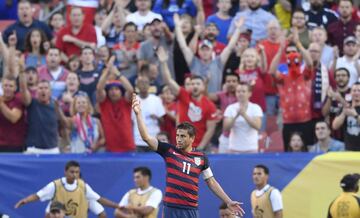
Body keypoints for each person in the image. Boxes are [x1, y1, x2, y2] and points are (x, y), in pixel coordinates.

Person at [132, 94, 245, 218]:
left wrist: (228, 201)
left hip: (191, 209)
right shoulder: (168, 150)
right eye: (177, 135)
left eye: (183, 136)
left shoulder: (201, 157)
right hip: (171, 208)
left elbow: (211, 182)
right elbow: (146, 138)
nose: (179, 139)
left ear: (192, 138)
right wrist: (138, 114)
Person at [157, 47, 218, 150]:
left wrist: (200, 148)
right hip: (181, 146)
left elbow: (210, 129)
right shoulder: (183, 95)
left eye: (198, 84)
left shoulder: (210, 105)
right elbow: (168, 81)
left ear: (203, 87)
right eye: (193, 84)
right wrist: (163, 63)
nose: (195, 86)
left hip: (199, 147)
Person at [15, 161, 121, 218]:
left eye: (77, 172)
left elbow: (100, 202)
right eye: (72, 172)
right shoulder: (55, 186)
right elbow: (38, 196)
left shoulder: (84, 187)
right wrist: (24, 201)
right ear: (65, 172)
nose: (74, 175)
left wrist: (117, 206)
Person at [174, 14, 244, 93]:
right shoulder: (193, 62)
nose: (205, 52)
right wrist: (177, 27)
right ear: (199, 52)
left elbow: (230, 47)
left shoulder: (218, 62)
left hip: (214, 101)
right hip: (197, 100)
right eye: (202, 50)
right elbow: (183, 46)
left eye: (207, 50)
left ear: (211, 51)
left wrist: (238, 29)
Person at [96, 56, 136, 152]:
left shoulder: (126, 101)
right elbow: (99, 88)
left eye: (117, 89)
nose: (113, 92)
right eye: (111, 89)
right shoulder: (104, 103)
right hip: (110, 148)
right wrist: (108, 70)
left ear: (121, 91)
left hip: (128, 146)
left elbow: (130, 90)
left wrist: (117, 73)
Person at [223, 83, 263, 153]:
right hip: (234, 147)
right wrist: (236, 116)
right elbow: (226, 128)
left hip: (251, 148)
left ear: (249, 93)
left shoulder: (256, 108)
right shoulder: (230, 108)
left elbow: (257, 126)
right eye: (238, 91)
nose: (241, 94)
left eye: (243, 91)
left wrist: (244, 115)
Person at [132, 75, 166, 151]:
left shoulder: (156, 99)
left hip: (154, 140)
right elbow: (130, 122)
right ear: (137, 85)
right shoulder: (134, 99)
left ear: (149, 85)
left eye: (146, 83)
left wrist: (157, 117)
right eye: (141, 83)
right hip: (138, 141)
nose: (144, 85)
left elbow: (163, 121)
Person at [322, 68, 351, 141]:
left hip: (350, 133)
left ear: (348, 78)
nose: (340, 78)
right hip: (333, 135)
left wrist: (340, 99)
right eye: (338, 76)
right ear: (334, 79)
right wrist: (329, 98)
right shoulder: (330, 93)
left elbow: (352, 110)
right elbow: (324, 113)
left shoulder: (353, 92)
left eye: (343, 75)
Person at [0, 76, 27, 152]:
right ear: (2, 86)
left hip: (15, 145)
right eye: (5, 85)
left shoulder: (18, 99)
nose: (8, 88)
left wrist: (1, 104)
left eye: (11, 86)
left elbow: (13, 118)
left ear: (15, 88)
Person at [333, 82, 360, 151]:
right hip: (349, 149)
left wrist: (355, 115)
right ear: (350, 93)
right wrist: (343, 113)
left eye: (359, 90)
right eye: (354, 91)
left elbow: (355, 115)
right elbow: (334, 126)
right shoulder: (345, 108)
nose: (356, 93)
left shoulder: (353, 112)